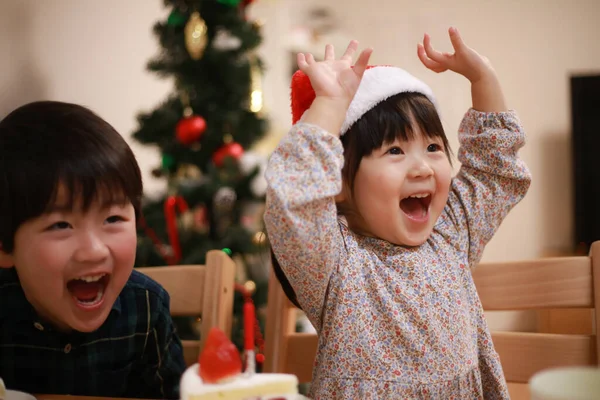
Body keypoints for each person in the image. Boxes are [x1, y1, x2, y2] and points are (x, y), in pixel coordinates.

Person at [264, 27, 531, 398]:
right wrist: (328, 103)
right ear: (338, 181)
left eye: (434, 147)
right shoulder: (335, 264)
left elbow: (492, 171)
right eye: (394, 151)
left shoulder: (451, 235)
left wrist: (483, 76)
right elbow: (295, 197)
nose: (422, 167)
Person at [0, 101, 185, 399]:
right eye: (61, 225)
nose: (94, 251)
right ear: (4, 246)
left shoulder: (147, 311)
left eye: (112, 219)